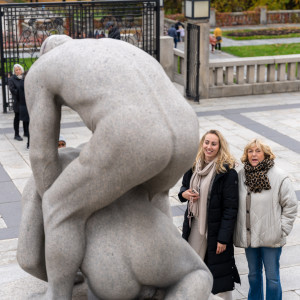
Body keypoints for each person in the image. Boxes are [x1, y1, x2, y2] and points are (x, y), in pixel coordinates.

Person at [24, 35, 200, 298]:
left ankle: (57, 294)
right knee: (153, 193)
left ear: (44, 54)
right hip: (187, 129)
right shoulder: (111, 47)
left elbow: (41, 156)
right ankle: (163, 267)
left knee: (58, 206)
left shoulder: (42, 69)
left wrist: (62, 207)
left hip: (132, 130)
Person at [178, 129, 240, 300]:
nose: (209, 147)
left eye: (213, 144)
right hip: (194, 224)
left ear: (220, 147)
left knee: (218, 271)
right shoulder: (195, 165)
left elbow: (230, 209)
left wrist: (223, 238)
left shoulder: (226, 172)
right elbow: (183, 188)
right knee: (193, 267)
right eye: (206, 142)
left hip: (215, 229)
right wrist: (185, 194)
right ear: (202, 144)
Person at [234, 139, 298, 300]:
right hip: (249, 237)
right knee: (253, 276)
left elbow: (290, 206)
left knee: (272, 278)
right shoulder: (241, 175)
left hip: (271, 237)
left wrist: (281, 230)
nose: (253, 154)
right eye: (250, 151)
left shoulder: (279, 176)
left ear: (266, 154)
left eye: (258, 151)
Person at [8, 64, 29, 143]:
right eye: (16, 70)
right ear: (14, 71)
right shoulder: (11, 79)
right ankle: (16, 134)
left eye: (19, 69)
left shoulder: (24, 78)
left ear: (22, 70)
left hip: (25, 101)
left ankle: (26, 132)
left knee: (25, 117)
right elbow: (12, 90)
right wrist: (22, 92)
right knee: (17, 118)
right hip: (18, 101)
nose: (18, 71)